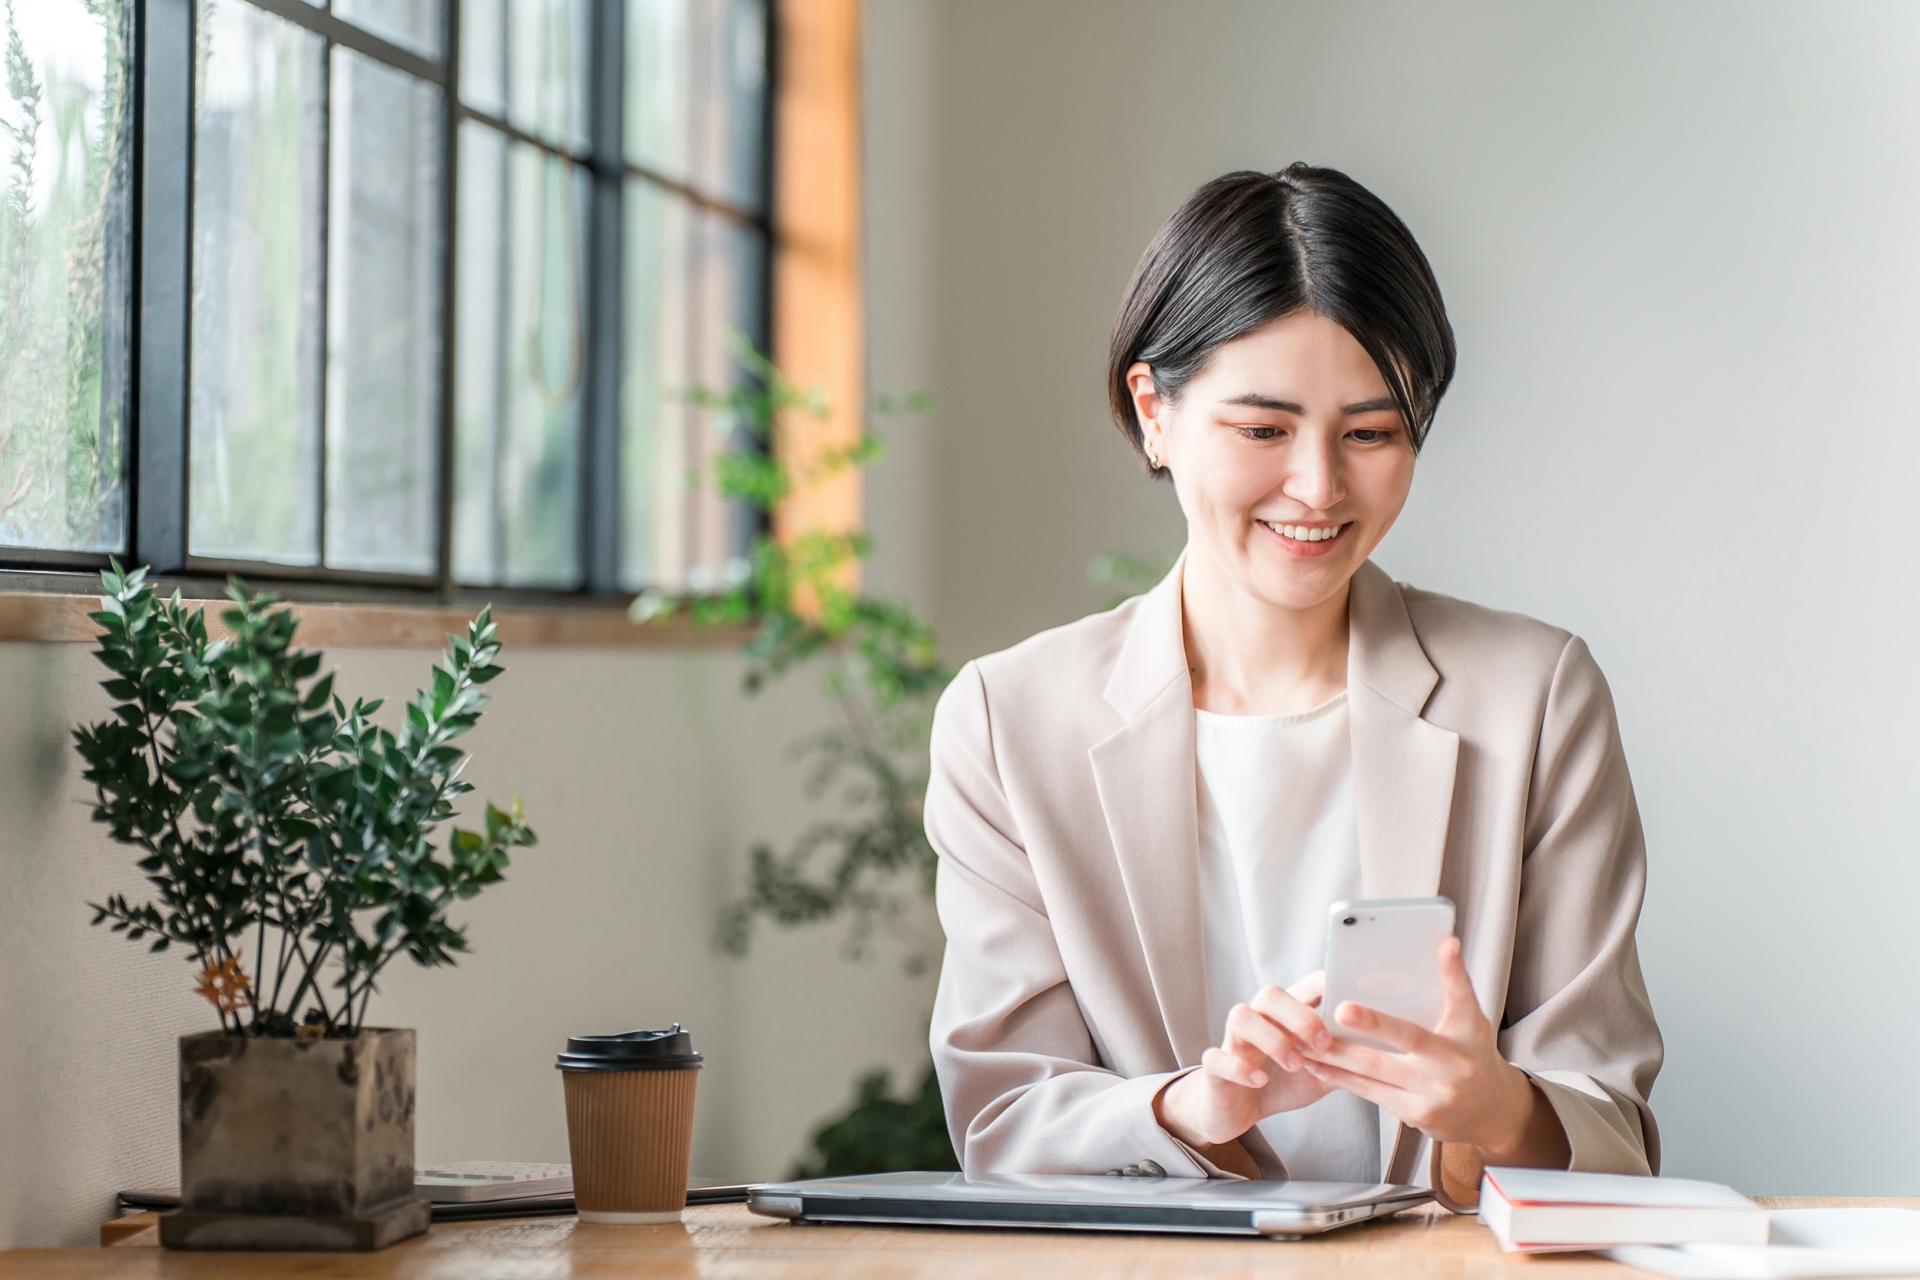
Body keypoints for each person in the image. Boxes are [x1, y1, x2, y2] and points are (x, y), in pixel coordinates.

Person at [924, 165, 1662, 1207]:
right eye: (1263, 429)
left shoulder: (1534, 697)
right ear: (1155, 412)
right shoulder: (1011, 719)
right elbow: (1002, 1121)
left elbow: (1614, 1123)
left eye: (1371, 432)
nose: (1317, 487)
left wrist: (1488, 1104)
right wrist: (1191, 1106)